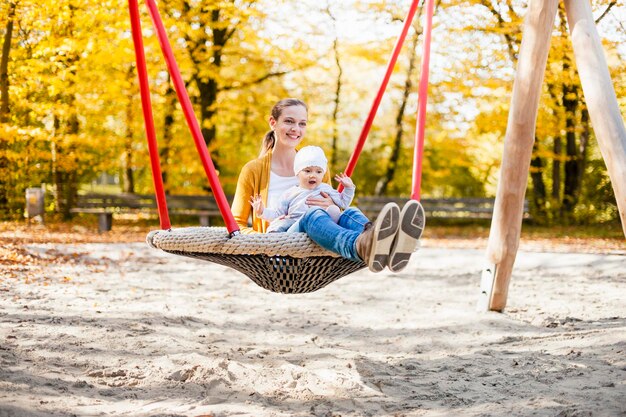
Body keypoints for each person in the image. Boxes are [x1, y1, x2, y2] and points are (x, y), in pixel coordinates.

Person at [231, 98, 425, 273]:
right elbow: (236, 225)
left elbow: (335, 212)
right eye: (289, 121)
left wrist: (334, 206)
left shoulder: (316, 165)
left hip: (318, 253)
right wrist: (265, 241)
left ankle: (384, 241)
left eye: (302, 123)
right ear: (273, 122)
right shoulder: (253, 171)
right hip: (281, 252)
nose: (295, 129)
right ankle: (360, 245)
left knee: (349, 212)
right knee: (313, 215)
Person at [250, 145, 355, 233]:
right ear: (297, 173)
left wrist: (349, 188)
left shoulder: (326, 189)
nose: (313, 175)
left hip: (319, 223)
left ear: (323, 174)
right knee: (280, 223)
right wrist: (262, 211)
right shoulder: (290, 193)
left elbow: (343, 203)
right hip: (296, 223)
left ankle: (334, 221)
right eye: (308, 171)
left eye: (318, 172)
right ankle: (274, 241)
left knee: (348, 212)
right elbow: (277, 213)